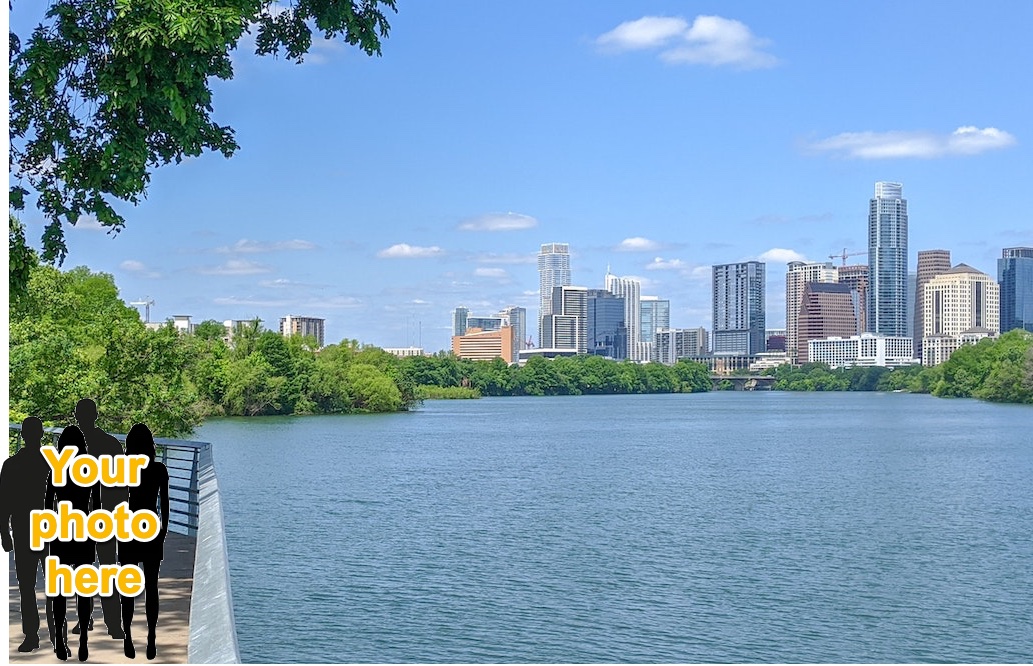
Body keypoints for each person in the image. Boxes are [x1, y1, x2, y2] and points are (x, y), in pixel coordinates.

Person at [0, 416, 55, 653]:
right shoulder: (53, 464)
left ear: (22, 435)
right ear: (41, 434)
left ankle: (31, 635)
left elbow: (4, 503)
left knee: (26, 587)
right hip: (51, 529)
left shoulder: (11, 465)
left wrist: (4, 532)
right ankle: (56, 632)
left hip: (23, 530)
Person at [74, 398, 127, 639]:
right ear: (96, 416)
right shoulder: (111, 444)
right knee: (108, 569)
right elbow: (123, 485)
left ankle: (85, 620)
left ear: (77, 417)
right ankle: (114, 625)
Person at [46, 426, 99, 662]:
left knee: (59, 589)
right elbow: (96, 507)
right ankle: (84, 642)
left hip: (60, 532)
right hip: (84, 532)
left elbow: (47, 507)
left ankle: (60, 639)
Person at [119, 423, 170, 660]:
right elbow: (165, 506)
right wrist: (163, 532)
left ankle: (128, 636)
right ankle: (151, 637)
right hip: (151, 530)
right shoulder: (159, 470)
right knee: (152, 587)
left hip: (128, 530)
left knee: (127, 588)